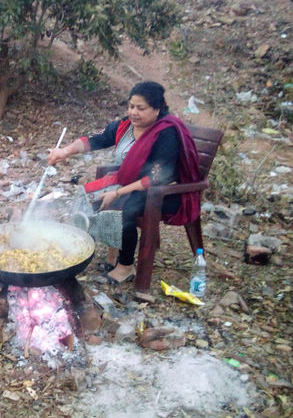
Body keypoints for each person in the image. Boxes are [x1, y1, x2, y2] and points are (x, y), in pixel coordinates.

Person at [48, 81, 201, 284]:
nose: (133, 112)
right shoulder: (125, 125)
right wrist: (65, 151)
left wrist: (117, 193)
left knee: (125, 209)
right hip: (130, 184)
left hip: (165, 193)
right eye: (131, 106)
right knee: (90, 196)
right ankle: (102, 253)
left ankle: (126, 266)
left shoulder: (166, 133)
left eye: (141, 108)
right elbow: (96, 139)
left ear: (157, 109)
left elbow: (158, 177)